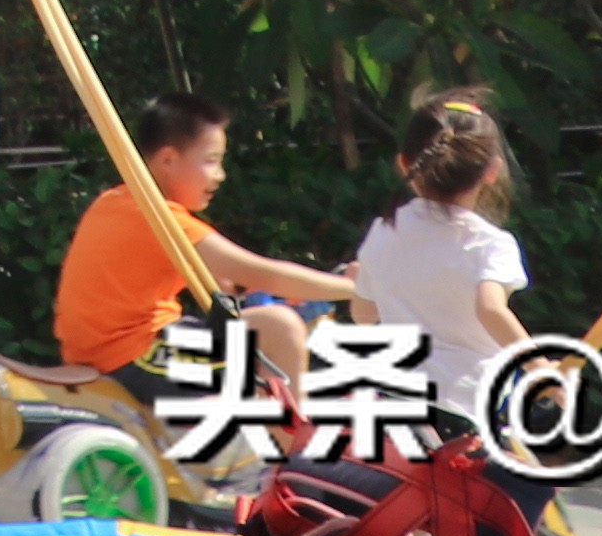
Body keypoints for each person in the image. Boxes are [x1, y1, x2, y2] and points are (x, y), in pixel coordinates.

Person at [57, 95, 355, 414]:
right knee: (281, 329)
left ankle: (276, 443)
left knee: (266, 318)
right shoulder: (159, 218)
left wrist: (245, 287)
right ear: (168, 159)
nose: (220, 175)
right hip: (130, 358)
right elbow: (265, 273)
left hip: (123, 349)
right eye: (211, 160)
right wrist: (355, 288)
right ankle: (293, 455)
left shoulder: (117, 202)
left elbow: (228, 283)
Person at [344, 90, 535, 445]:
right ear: (492, 171)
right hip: (464, 407)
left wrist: (362, 282)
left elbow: (363, 315)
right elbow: (490, 309)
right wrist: (541, 368)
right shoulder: (491, 243)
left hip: (393, 400)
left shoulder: (384, 230)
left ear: (405, 164)